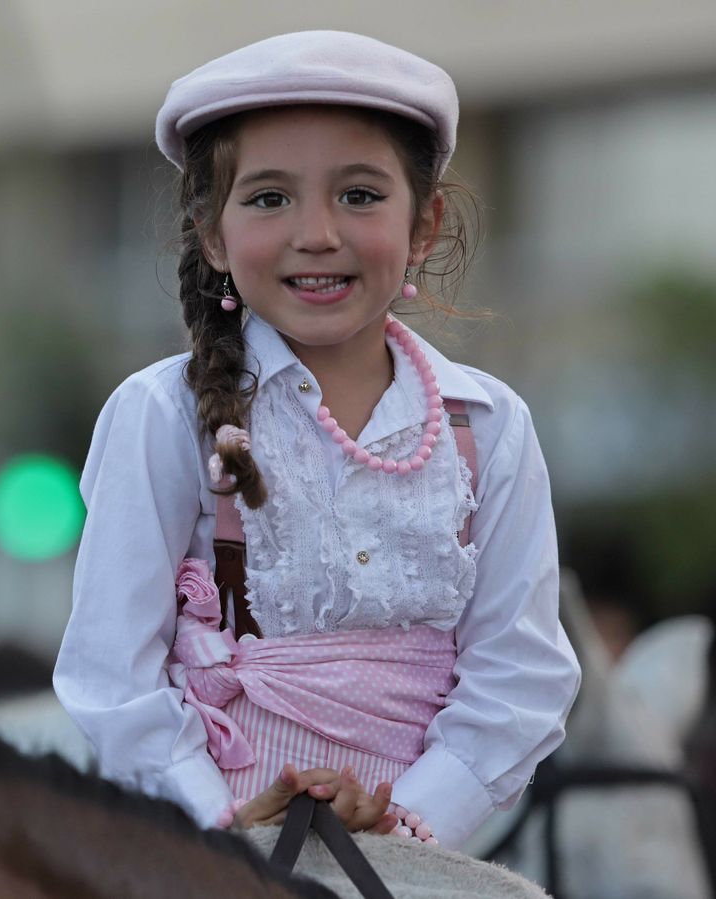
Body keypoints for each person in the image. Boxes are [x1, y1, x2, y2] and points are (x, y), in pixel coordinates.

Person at [53, 31, 580, 852]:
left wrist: (407, 818)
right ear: (213, 234)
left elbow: (523, 676)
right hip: (213, 856)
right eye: (269, 198)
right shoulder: (161, 412)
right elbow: (110, 673)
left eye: (360, 196)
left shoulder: (488, 422)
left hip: (418, 858)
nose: (318, 233)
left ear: (425, 224)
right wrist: (220, 823)